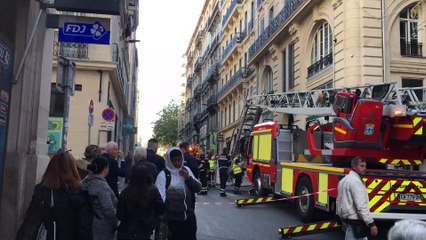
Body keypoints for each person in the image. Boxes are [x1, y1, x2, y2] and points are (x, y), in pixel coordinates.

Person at [17, 151, 92, 240]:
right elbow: (85, 227)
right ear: (73, 169)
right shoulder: (80, 193)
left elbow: (31, 220)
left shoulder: (42, 191)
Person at [155, 147, 201, 240]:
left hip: (189, 218)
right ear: (169, 160)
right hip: (173, 220)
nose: (177, 163)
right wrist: (163, 222)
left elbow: (198, 188)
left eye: (179, 160)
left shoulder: (186, 170)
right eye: (174, 161)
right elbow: (160, 200)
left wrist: (188, 178)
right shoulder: (163, 175)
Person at [117, 165, 165, 240]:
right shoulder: (153, 191)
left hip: (127, 229)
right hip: (145, 229)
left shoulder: (126, 192)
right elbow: (161, 208)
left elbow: (120, 213)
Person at [336, 156, 378, 240]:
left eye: (365, 166)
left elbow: (339, 202)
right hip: (356, 222)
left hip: (348, 221)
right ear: (354, 166)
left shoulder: (343, 180)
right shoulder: (355, 182)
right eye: (361, 166)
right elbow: (361, 206)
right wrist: (371, 223)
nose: (364, 168)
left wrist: (341, 219)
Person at [82, 156, 118, 240]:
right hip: (102, 225)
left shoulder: (86, 181)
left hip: (89, 222)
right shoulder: (102, 186)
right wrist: (115, 222)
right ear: (106, 168)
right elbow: (108, 208)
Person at [179, 142, 199, 209]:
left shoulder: (179, 159)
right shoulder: (192, 158)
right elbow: (196, 171)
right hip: (190, 185)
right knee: (190, 207)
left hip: (180, 186)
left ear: (182, 148)